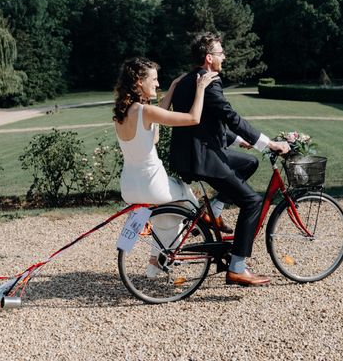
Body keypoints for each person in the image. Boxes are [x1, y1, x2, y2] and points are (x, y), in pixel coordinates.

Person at [169, 32, 290, 287]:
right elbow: (230, 116)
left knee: (247, 163)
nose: (225, 56)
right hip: (203, 158)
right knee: (253, 201)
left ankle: (215, 210)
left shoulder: (188, 80)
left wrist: (238, 141)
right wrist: (267, 143)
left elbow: (207, 122)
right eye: (221, 53)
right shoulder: (209, 81)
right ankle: (237, 267)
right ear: (209, 58)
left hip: (193, 154)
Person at [113, 57, 217, 277]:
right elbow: (192, 118)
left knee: (165, 217)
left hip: (130, 187)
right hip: (153, 185)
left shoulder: (122, 114)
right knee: (189, 201)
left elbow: (154, 132)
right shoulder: (144, 112)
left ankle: (154, 264)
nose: (157, 84)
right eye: (154, 79)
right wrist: (200, 88)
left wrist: (171, 89)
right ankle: (200, 228)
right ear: (139, 82)